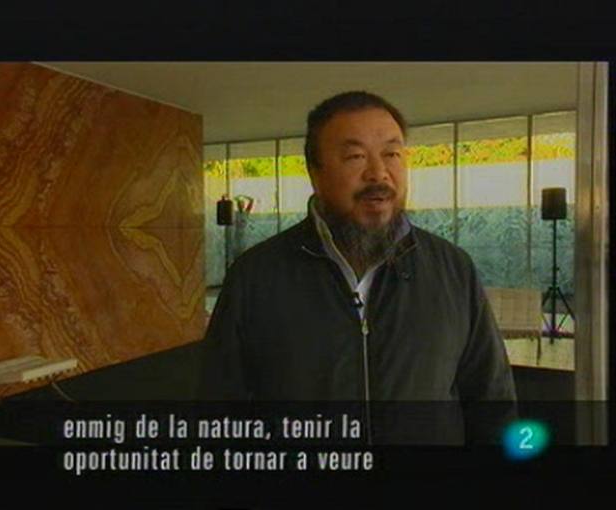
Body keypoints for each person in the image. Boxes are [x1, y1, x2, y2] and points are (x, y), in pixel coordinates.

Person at [198, 91, 517, 445]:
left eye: (392, 154)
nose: (378, 173)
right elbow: (219, 411)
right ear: (315, 174)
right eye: (355, 156)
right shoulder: (255, 276)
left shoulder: (453, 269)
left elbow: (492, 402)